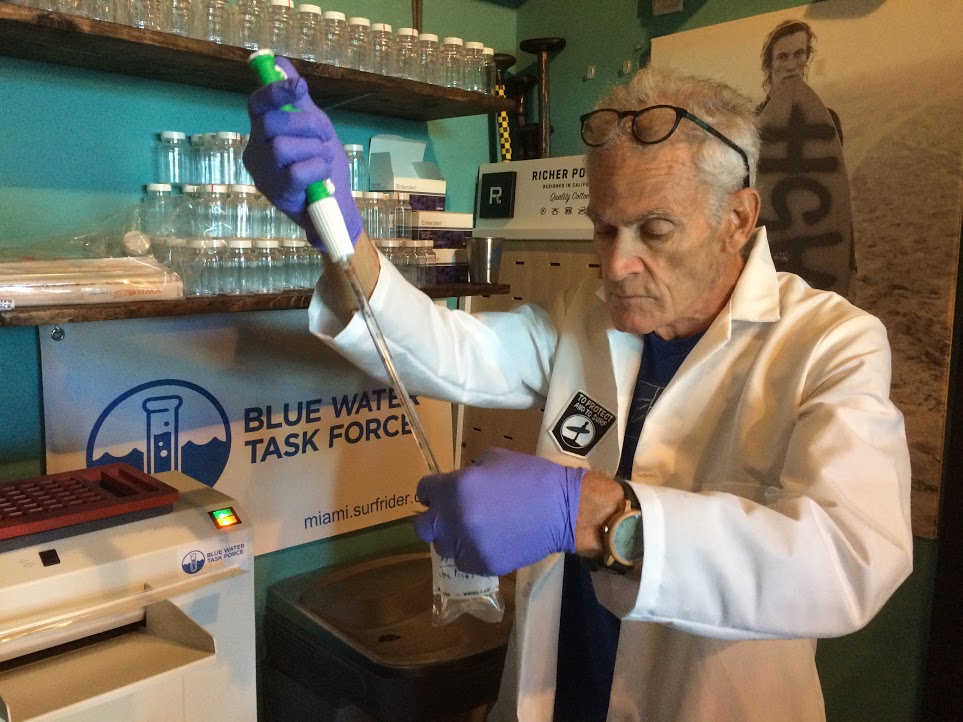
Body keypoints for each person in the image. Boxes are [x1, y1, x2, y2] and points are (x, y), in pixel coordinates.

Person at [245, 58, 912, 721]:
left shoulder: (828, 342)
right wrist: (340, 236)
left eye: (654, 230)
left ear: (737, 218)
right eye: (602, 228)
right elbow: (450, 353)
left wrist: (594, 515)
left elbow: (849, 559)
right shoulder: (582, 316)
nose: (616, 265)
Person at [759, 18, 842, 143]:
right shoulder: (752, 125)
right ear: (769, 65)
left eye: (798, 54)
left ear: (807, 57)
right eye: (782, 57)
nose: (791, 66)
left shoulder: (827, 121)